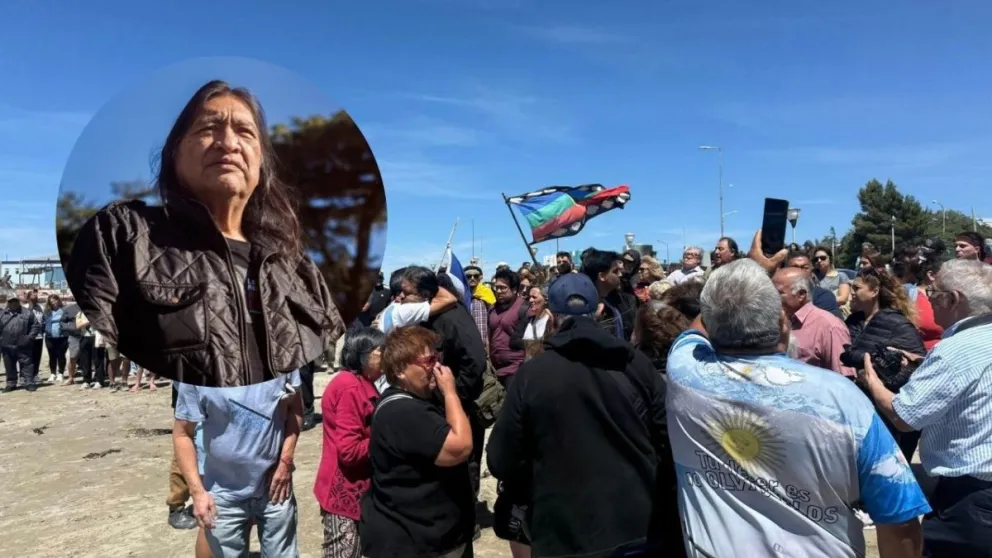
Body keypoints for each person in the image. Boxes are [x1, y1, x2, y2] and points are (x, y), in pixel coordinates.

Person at [66, 79, 345, 386]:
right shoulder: (122, 232)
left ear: (261, 162)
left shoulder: (297, 264)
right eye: (209, 128)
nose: (229, 143)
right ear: (174, 153)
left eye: (245, 132)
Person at [667, 257, 930, 558]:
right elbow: (899, 516)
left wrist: (748, 271)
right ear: (783, 323)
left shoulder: (684, 372)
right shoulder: (842, 399)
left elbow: (697, 329)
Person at [487, 272, 673, 557]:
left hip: (564, 533)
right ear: (598, 310)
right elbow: (667, 438)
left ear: (551, 316)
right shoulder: (637, 364)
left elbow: (501, 459)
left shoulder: (531, 375)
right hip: (638, 527)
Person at [860, 259, 992, 557]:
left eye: (932, 293)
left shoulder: (956, 349)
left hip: (971, 500)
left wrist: (872, 380)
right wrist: (922, 363)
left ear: (953, 299)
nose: (926, 300)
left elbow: (904, 416)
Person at [360, 326, 475, 558]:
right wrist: (450, 392)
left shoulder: (419, 401)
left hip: (433, 538)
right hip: (413, 542)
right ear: (400, 370)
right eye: (428, 361)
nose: (437, 367)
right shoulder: (403, 411)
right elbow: (460, 447)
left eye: (437, 358)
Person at [173, 369, 304, 557]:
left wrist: (285, 461)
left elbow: (295, 409)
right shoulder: (196, 368)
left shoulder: (282, 359)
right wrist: (197, 493)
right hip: (223, 493)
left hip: (276, 485)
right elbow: (182, 434)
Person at [314, 327, 385, 558]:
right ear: (363, 355)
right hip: (344, 488)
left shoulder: (359, 382)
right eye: (381, 351)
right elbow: (349, 451)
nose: (387, 356)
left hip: (353, 488)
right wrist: (386, 437)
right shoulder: (350, 388)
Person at [846, 267, 926, 462]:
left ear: (874, 291)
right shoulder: (854, 320)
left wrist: (884, 378)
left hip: (890, 405)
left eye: (857, 288)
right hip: (861, 403)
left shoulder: (896, 322)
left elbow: (919, 361)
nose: (851, 293)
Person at [773, 267, 855, 376]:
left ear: (801, 295)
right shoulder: (774, 321)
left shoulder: (830, 327)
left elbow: (844, 378)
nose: (771, 297)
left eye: (778, 293)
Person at [488, 269, 528, 390]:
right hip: (495, 371)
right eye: (496, 287)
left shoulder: (524, 309)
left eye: (503, 288)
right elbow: (488, 337)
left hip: (516, 370)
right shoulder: (492, 309)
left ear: (514, 289)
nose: (498, 291)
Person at [1, 290, 41, 392]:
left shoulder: (27, 312)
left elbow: (35, 326)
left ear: (18, 301)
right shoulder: (2, 314)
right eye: (11, 301)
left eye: (15, 301)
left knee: (27, 364)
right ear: (7, 302)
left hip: (23, 344)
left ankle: (29, 382)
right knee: (9, 365)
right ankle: (11, 383)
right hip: (7, 345)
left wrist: (29, 338)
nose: (13, 303)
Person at [41, 294, 69, 383]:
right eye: (51, 301)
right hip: (49, 337)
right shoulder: (47, 312)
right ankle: (53, 373)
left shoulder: (64, 310)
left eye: (55, 300)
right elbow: (43, 322)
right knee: (52, 356)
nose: (53, 303)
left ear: (58, 300)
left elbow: (68, 321)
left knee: (61, 355)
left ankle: (61, 373)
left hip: (62, 337)